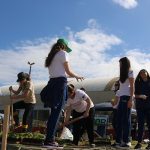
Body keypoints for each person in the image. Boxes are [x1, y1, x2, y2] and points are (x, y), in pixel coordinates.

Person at [43, 38, 84, 148]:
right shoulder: (63, 53)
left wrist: (74, 76)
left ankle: (48, 139)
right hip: (60, 84)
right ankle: (49, 141)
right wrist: (76, 75)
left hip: (52, 84)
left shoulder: (51, 56)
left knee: (54, 113)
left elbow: (61, 73)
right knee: (56, 114)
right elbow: (68, 71)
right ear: (64, 46)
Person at [112, 57, 134, 149]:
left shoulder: (130, 71)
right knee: (119, 120)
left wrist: (131, 99)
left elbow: (132, 86)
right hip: (121, 98)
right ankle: (118, 141)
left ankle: (127, 141)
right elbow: (121, 88)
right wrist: (116, 100)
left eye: (120, 63)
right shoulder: (121, 74)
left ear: (124, 63)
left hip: (127, 97)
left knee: (126, 120)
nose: (119, 65)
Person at [134, 69, 150, 149]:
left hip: (149, 107)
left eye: (144, 72)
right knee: (140, 125)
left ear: (147, 73)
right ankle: (139, 143)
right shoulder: (137, 83)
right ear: (139, 75)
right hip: (140, 107)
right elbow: (134, 95)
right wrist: (140, 96)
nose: (143, 74)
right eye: (141, 73)